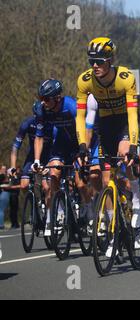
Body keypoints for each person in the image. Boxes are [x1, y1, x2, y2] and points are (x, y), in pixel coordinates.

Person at [75, 37, 140, 252]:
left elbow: (133, 114)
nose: (95, 65)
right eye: (91, 61)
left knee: (125, 154)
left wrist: (132, 144)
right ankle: (113, 227)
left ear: (110, 60)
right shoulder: (84, 80)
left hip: (124, 122)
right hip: (105, 126)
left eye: (100, 61)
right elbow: (81, 116)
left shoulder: (126, 78)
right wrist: (83, 145)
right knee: (106, 180)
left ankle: (137, 197)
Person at [33, 79, 83, 236]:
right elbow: (39, 137)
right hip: (60, 143)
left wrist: (83, 151)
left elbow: (83, 128)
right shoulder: (43, 110)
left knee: (80, 183)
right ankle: (59, 212)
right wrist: (36, 160)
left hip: (77, 143)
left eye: (46, 99)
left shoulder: (71, 106)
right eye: (41, 98)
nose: (43, 102)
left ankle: (87, 209)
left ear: (57, 98)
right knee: (53, 174)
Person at [0, 165, 10, 229]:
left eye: (5, 169)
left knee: (1, 210)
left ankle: (1, 224)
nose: (4, 170)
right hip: (2, 192)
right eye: (2, 168)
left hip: (4, 192)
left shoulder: (7, 176)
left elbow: (10, 184)